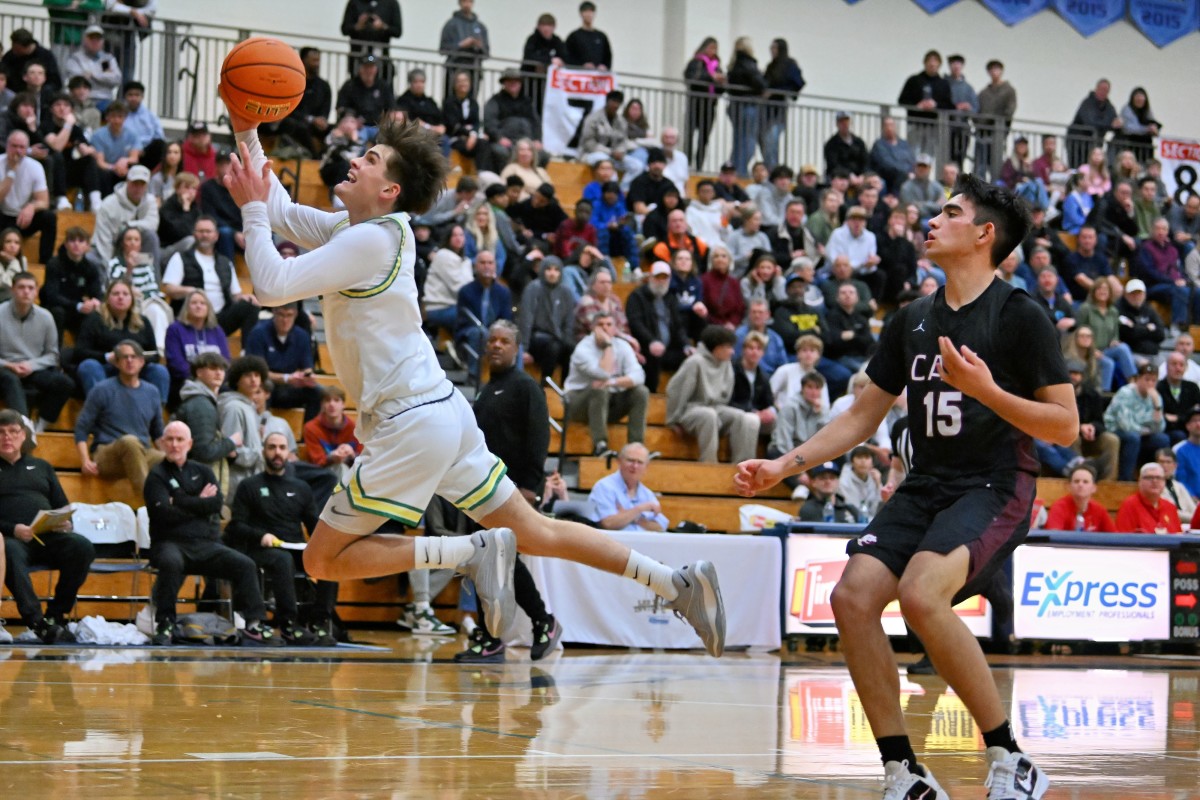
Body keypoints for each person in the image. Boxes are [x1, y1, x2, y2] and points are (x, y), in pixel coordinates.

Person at [221, 109, 726, 656]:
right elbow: (281, 209)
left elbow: (270, 285)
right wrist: (247, 125)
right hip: (441, 411)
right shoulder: (364, 230)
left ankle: (467, 552)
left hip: (409, 422)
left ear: (389, 189)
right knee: (537, 532)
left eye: (368, 159)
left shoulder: (371, 242)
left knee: (322, 560)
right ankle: (675, 583)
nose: (353, 160)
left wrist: (249, 206)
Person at [736, 174, 1065, 799]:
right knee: (852, 599)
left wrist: (989, 393)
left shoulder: (1022, 317)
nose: (932, 220)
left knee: (920, 594)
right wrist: (785, 464)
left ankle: (1010, 758)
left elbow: (1068, 427)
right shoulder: (913, 318)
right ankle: (903, 771)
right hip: (927, 482)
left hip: (995, 483)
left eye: (950, 212)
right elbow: (862, 417)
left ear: (984, 234)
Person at [463, 318, 564, 661]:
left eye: (504, 341)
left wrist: (530, 487)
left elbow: (539, 438)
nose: (495, 345)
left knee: (503, 559)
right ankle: (492, 636)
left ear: (517, 348)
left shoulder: (525, 387)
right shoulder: (486, 389)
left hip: (511, 490)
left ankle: (542, 621)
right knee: (483, 559)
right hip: (480, 490)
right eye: (492, 340)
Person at [144, 420, 281, 646]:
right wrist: (199, 502)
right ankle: (165, 623)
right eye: (170, 439)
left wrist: (179, 501)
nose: (175, 444)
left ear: (190, 443)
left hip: (206, 544)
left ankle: (254, 624)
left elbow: (216, 504)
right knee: (170, 561)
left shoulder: (203, 470)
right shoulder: (156, 476)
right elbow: (163, 514)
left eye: (180, 440)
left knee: (244, 564)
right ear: (162, 442)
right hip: (170, 542)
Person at [226, 431, 339, 646]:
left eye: (281, 447)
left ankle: (320, 622)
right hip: (261, 549)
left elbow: (314, 525)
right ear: (264, 451)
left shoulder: (301, 488)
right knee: (281, 559)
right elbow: (236, 526)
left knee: (329, 562)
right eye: (272, 447)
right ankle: (288, 624)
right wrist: (261, 536)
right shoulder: (249, 486)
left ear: (288, 453)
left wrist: (330, 543)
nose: (277, 452)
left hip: (295, 547)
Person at [0, 408, 96, 643]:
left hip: (46, 536)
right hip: (10, 540)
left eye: (13, 431)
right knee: (10, 552)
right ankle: (36, 622)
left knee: (82, 547)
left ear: (24, 436)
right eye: (1, 432)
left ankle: (56, 615)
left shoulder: (42, 467)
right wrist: (13, 529)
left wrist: (64, 523)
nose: (7, 437)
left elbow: (62, 505)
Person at [73, 338, 164, 493]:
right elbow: (81, 428)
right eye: (124, 357)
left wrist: (173, 458)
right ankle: (149, 501)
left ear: (142, 361)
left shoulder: (152, 392)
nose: (130, 360)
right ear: (116, 362)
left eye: (134, 357)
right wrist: (85, 460)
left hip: (142, 453)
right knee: (130, 441)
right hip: (107, 453)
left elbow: (158, 434)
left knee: (168, 458)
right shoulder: (101, 389)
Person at [666, 325, 760, 463]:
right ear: (717, 348)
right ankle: (709, 464)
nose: (733, 352)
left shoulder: (726, 363)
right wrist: (673, 420)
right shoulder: (695, 362)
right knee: (709, 415)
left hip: (715, 408)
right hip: (691, 409)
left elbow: (725, 397)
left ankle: (742, 466)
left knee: (741, 417)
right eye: (728, 347)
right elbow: (675, 390)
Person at [161, 215, 261, 340]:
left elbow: (235, 296)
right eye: (200, 231)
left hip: (219, 319)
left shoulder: (225, 262)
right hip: (190, 317)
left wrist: (246, 297)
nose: (204, 235)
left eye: (208, 231)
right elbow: (169, 289)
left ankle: (247, 354)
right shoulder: (180, 257)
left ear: (216, 235)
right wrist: (192, 291)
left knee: (251, 305)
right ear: (194, 234)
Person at [564, 310, 648, 456]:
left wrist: (614, 382)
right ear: (593, 328)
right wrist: (607, 346)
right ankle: (600, 446)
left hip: (607, 404)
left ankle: (636, 447)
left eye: (609, 324)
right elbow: (604, 374)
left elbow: (639, 375)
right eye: (600, 325)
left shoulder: (622, 346)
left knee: (641, 391)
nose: (605, 328)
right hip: (577, 403)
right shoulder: (583, 349)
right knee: (599, 389)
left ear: (615, 328)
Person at [0, 272, 75, 431]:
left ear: (36, 291)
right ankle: (23, 428)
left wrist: (31, 365)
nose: (26, 292)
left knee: (64, 383)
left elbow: (53, 355)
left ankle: (39, 427)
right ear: (13, 289)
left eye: (30, 288)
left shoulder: (46, 317)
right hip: (4, 369)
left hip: (32, 368)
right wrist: (9, 365)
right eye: (21, 287)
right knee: (11, 380)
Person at [74, 276, 169, 402]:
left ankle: (156, 414)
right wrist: (108, 357)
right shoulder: (94, 319)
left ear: (132, 299)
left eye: (125, 294)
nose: (121, 297)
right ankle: (101, 410)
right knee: (88, 366)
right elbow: (79, 352)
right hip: (107, 368)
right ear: (107, 298)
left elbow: (154, 355)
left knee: (159, 370)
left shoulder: (143, 322)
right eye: (116, 294)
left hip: (135, 370)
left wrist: (137, 360)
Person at [245, 301, 321, 421]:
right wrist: (286, 378)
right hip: (268, 384)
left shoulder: (302, 336)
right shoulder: (258, 333)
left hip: (290, 387)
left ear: (295, 315)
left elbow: (307, 366)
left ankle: (308, 435)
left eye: (289, 315)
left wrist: (307, 376)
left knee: (317, 392)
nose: (285, 320)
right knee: (262, 388)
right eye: (281, 315)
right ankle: (262, 428)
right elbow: (257, 372)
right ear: (274, 313)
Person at [172, 351, 236, 488]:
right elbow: (203, 451)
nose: (219, 373)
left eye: (221, 369)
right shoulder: (201, 404)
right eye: (213, 368)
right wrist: (232, 442)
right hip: (196, 482)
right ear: (199, 372)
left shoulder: (203, 400)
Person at [626, 260, 689, 392]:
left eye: (664, 277)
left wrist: (686, 345)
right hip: (646, 347)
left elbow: (678, 326)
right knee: (653, 358)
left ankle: (682, 397)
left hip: (669, 348)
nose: (661, 281)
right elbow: (636, 323)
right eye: (657, 277)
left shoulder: (670, 298)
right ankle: (651, 396)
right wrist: (651, 341)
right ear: (650, 277)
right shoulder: (637, 296)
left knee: (691, 359)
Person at [1105, 362, 1170, 481]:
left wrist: (1157, 406)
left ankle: (1155, 477)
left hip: (1139, 433)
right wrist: (1145, 431)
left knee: (1162, 439)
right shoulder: (1125, 393)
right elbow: (1126, 425)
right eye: (1147, 379)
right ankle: (1125, 479)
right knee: (1132, 438)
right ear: (1138, 379)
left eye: (1153, 380)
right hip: (1115, 429)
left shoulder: (1156, 397)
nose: (1150, 384)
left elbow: (1160, 428)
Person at [0, 130, 57, 264]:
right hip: (3, 217)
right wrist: (12, 172)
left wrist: (31, 206)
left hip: (23, 218)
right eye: (14, 146)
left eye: (21, 147)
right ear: (7, 146)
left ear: (27, 149)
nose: (18, 151)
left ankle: (45, 263)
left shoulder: (35, 167)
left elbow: (44, 201)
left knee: (49, 217)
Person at [40, 225, 104, 342]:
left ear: (87, 246)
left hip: (77, 309)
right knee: (58, 313)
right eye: (72, 240)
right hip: (56, 307)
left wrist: (96, 301)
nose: (76, 244)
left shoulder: (91, 267)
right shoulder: (54, 264)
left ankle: (84, 353)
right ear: (65, 244)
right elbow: (52, 295)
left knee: (95, 316)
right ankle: (55, 352)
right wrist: (77, 305)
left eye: (81, 241)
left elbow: (97, 292)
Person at [518, 255, 574, 383]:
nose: (552, 273)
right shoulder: (533, 288)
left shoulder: (566, 292)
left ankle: (564, 388)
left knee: (571, 348)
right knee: (553, 347)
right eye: (548, 269)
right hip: (536, 337)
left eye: (556, 270)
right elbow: (526, 320)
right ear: (542, 270)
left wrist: (567, 341)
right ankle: (545, 385)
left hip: (558, 339)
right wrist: (524, 349)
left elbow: (569, 323)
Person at [163, 288, 229, 396]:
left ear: (208, 308)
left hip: (215, 384)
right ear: (186, 307)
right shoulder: (175, 329)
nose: (198, 306)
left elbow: (225, 360)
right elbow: (176, 363)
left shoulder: (217, 330)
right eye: (194, 303)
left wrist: (213, 379)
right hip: (185, 383)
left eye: (203, 303)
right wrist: (201, 378)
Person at [897, 50, 953, 163]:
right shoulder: (914, 80)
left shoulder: (944, 84)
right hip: (915, 123)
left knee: (929, 156)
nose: (932, 64)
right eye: (930, 61)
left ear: (939, 65)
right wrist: (917, 106)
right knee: (913, 153)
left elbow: (949, 105)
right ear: (925, 63)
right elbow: (902, 100)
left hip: (933, 125)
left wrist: (935, 105)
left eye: (935, 62)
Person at [303, 384, 361, 482]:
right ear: (322, 405)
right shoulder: (311, 428)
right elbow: (316, 462)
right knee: (340, 468)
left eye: (336, 400)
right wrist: (331, 457)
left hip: (351, 473)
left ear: (343, 404)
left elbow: (363, 459)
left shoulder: (355, 428)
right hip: (322, 474)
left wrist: (352, 455)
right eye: (327, 400)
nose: (332, 404)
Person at [683, 37, 724, 170]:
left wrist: (722, 83)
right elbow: (691, 78)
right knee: (690, 135)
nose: (713, 51)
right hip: (696, 103)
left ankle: (699, 165)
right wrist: (710, 77)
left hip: (710, 105)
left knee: (704, 138)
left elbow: (721, 90)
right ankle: (687, 162)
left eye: (715, 49)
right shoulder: (696, 62)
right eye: (711, 48)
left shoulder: (717, 66)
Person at [1042, 463, 1114, 532]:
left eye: (1085, 482)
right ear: (1069, 487)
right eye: (1076, 481)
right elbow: (1054, 535)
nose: (1080, 485)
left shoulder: (1099, 510)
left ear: (1094, 488)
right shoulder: (1059, 507)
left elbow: (1114, 537)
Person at [439, 0, 489, 99]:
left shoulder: (480, 26)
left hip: (474, 69)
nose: (467, 4)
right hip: (455, 67)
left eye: (469, 1)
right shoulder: (451, 24)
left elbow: (487, 53)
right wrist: (461, 45)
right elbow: (442, 49)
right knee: (451, 100)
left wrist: (479, 46)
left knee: (472, 101)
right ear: (460, 3)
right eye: (464, 1)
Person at [1115, 461, 1183, 534]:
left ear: (1164, 482)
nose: (1154, 481)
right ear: (1140, 481)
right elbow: (1123, 539)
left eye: (1158, 478)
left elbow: (1179, 538)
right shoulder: (1129, 506)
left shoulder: (1170, 507)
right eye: (1149, 477)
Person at [1067, 79, 1121, 167]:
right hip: (1077, 142)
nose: (1103, 92)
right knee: (1077, 166)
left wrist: (1118, 124)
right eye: (1101, 89)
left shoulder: (1109, 107)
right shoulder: (1087, 103)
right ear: (1096, 89)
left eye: (1106, 90)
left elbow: (1115, 123)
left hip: (1094, 144)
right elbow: (1089, 122)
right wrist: (1109, 125)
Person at [341, 0, 402, 76]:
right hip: (358, 57)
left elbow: (397, 32)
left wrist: (382, 26)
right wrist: (358, 26)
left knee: (383, 82)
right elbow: (344, 29)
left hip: (381, 58)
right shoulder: (354, 2)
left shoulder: (391, 3)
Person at [564, 1, 612, 70]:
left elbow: (608, 56)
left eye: (591, 12)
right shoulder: (574, 36)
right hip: (580, 75)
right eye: (586, 12)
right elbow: (567, 57)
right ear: (581, 14)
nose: (588, 14)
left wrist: (604, 66)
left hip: (598, 76)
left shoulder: (601, 36)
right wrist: (582, 65)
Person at [824, 111, 867, 185]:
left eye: (847, 121)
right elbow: (833, 165)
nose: (844, 124)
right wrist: (849, 175)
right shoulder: (831, 144)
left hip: (860, 177)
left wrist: (862, 176)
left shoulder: (859, 142)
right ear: (837, 124)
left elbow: (866, 162)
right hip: (840, 176)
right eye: (841, 122)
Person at [1157, 447, 1196, 526]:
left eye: (1168, 462)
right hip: (1169, 525)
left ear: (1175, 465)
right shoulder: (1155, 486)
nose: (1164, 465)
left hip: (1188, 527)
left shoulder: (1179, 486)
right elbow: (1169, 512)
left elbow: (1193, 509)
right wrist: (1194, 518)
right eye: (1161, 462)